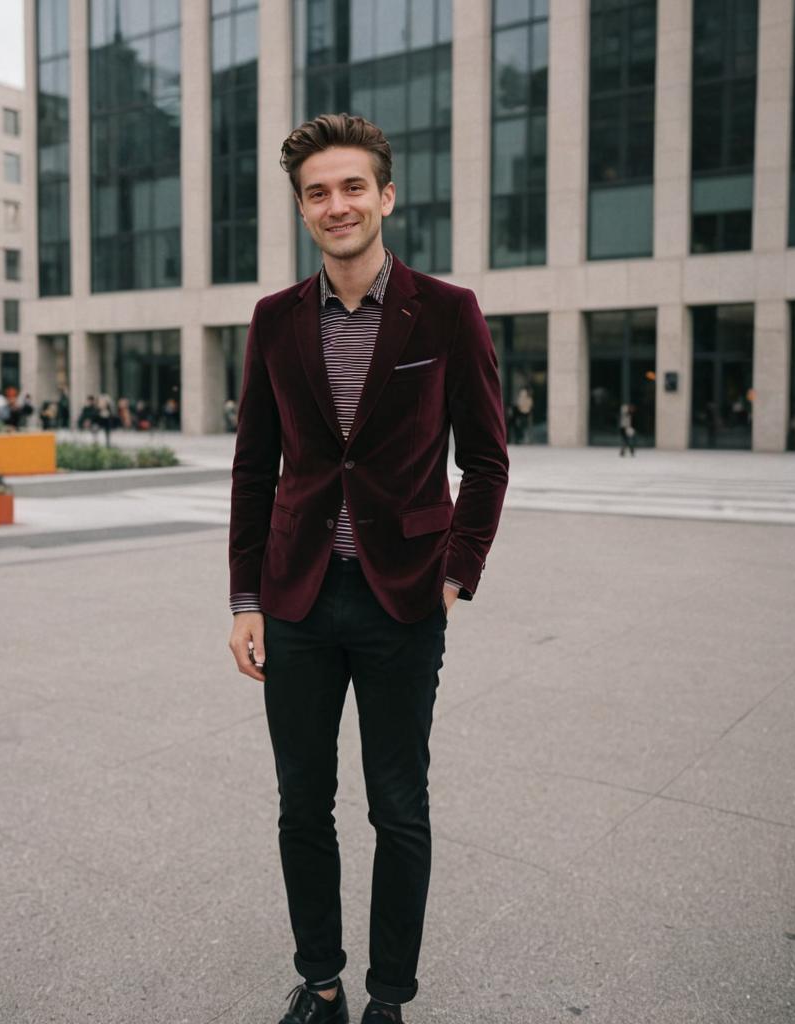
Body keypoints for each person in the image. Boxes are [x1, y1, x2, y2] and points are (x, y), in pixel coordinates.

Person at [228, 114, 508, 1024]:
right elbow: (253, 467)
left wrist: (457, 573)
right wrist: (245, 598)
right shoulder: (275, 321)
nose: (336, 205)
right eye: (317, 192)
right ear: (303, 210)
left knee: (398, 806)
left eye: (353, 187)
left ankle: (389, 997)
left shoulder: (447, 310)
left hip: (402, 601)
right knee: (301, 805)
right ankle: (321, 984)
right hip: (297, 598)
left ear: (386, 196)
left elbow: (489, 459)